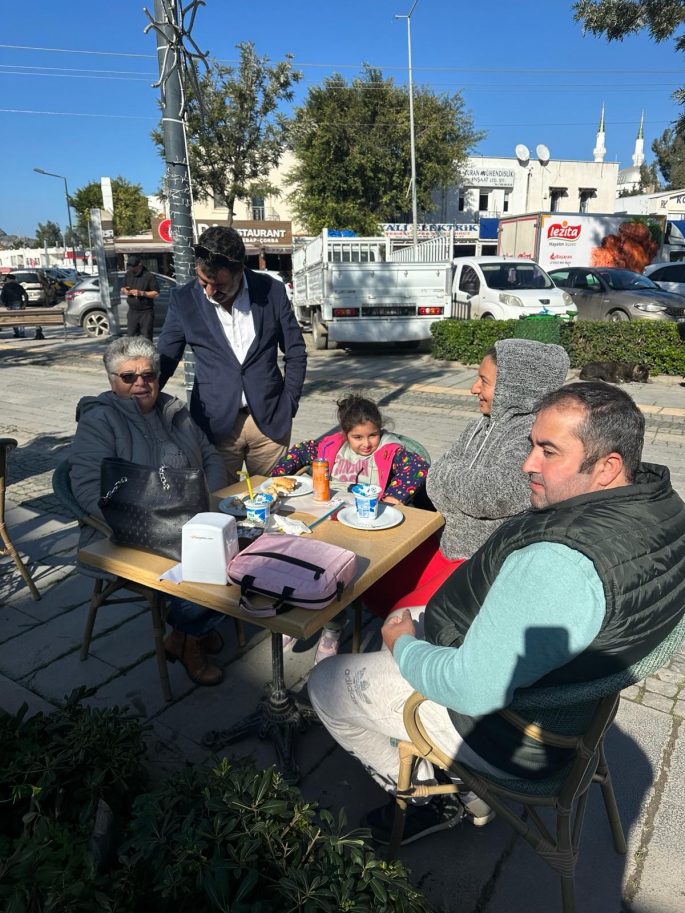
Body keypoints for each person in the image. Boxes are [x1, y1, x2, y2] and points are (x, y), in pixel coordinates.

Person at [308, 382, 685, 844]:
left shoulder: (562, 562)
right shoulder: (662, 503)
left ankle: (429, 795)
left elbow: (471, 689)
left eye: (549, 451)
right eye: (532, 445)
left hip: (510, 735)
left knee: (325, 685)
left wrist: (402, 645)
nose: (529, 464)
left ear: (607, 467)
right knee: (407, 609)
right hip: (571, 705)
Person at [364, 338, 570, 617]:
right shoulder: (479, 425)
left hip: (480, 563)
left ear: (515, 388)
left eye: (484, 381)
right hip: (449, 543)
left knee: (401, 615)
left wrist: (449, 479)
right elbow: (436, 478)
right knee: (371, 578)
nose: (474, 389)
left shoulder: (530, 436)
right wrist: (458, 484)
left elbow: (493, 495)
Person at [69, 337, 229, 686]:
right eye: (128, 377)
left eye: (148, 375)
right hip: (136, 527)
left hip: (193, 515)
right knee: (209, 561)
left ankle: (191, 630)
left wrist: (209, 501)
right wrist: (152, 521)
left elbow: (212, 458)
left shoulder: (175, 410)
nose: (140, 382)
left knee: (244, 541)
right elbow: (86, 489)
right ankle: (188, 638)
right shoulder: (101, 420)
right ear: (112, 380)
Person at [271, 393, 429, 662]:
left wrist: (393, 497)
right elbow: (299, 451)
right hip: (326, 516)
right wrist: (277, 477)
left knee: (334, 568)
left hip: (364, 525)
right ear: (345, 434)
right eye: (358, 437)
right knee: (296, 552)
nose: (367, 444)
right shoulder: (330, 446)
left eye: (372, 435)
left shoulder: (391, 449)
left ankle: (332, 629)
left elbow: (418, 467)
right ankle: (297, 607)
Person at [157, 226, 307, 484]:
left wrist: (289, 402)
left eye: (219, 285)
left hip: (270, 423)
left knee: (274, 504)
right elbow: (166, 358)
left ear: (240, 272)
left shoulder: (271, 291)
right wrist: (140, 399)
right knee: (219, 510)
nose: (209, 292)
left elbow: (295, 351)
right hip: (214, 426)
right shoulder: (183, 300)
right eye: (204, 282)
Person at [121, 255, 159, 341]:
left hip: (146, 312)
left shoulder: (149, 276)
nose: (132, 270)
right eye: (130, 267)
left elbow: (156, 294)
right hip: (132, 311)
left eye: (134, 267)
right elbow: (122, 287)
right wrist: (125, 291)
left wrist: (142, 293)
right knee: (131, 337)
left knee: (146, 337)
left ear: (139, 265)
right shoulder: (128, 274)